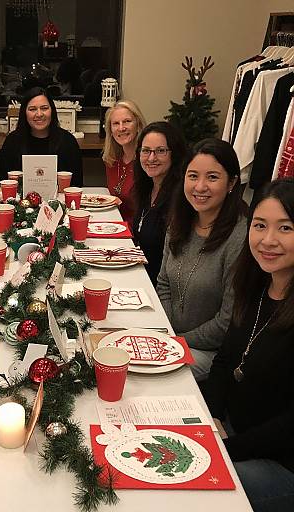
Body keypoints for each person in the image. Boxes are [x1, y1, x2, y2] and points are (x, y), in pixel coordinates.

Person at [202, 178, 294, 511]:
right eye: (260, 225)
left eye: (285, 228)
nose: (268, 240)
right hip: (232, 431)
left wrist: (226, 447)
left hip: (280, 463)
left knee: (186, 491)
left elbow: (289, 426)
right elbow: (225, 361)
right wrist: (208, 418)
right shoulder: (256, 287)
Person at [156, 138, 248, 380]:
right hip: (170, 337)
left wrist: (176, 341)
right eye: (193, 176)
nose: (200, 186)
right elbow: (164, 282)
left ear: (232, 183)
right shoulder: (180, 220)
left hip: (211, 352)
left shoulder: (241, 237)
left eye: (213, 177)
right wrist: (167, 331)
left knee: (147, 376)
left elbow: (227, 322)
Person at [132, 121, 187, 286]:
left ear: (174, 154)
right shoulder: (147, 187)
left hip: (160, 288)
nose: (151, 158)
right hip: (140, 276)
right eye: (146, 151)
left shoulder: (181, 197)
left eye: (160, 151)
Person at [0, 86, 83, 186]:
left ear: (52, 111)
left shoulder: (68, 141)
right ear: (24, 113)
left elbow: (77, 186)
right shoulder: (12, 142)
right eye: (32, 109)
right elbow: (2, 184)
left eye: (44, 108)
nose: (39, 114)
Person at [102, 100, 146, 222]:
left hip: (137, 233)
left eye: (127, 121)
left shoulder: (147, 162)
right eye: (116, 123)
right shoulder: (111, 160)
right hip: (115, 224)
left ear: (138, 124)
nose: (121, 128)